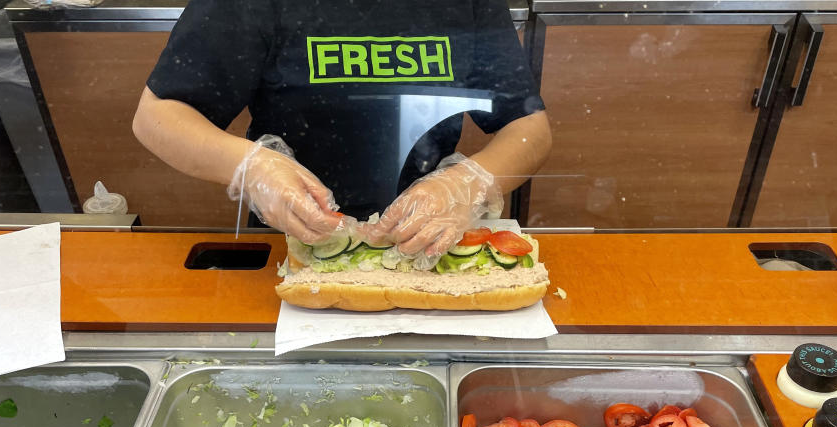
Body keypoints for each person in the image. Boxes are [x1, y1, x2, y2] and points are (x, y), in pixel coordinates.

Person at [133, 0, 552, 261]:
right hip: (299, 241)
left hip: (429, 242)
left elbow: (528, 126)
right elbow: (158, 115)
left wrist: (466, 183)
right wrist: (254, 168)